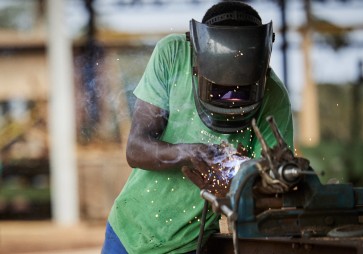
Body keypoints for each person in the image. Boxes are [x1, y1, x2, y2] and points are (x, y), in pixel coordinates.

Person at [102, 1, 293, 253]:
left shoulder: (273, 96)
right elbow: (136, 150)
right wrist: (188, 152)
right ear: (197, 55)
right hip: (128, 230)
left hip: (191, 244)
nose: (229, 96)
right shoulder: (173, 55)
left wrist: (236, 189)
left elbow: (275, 187)